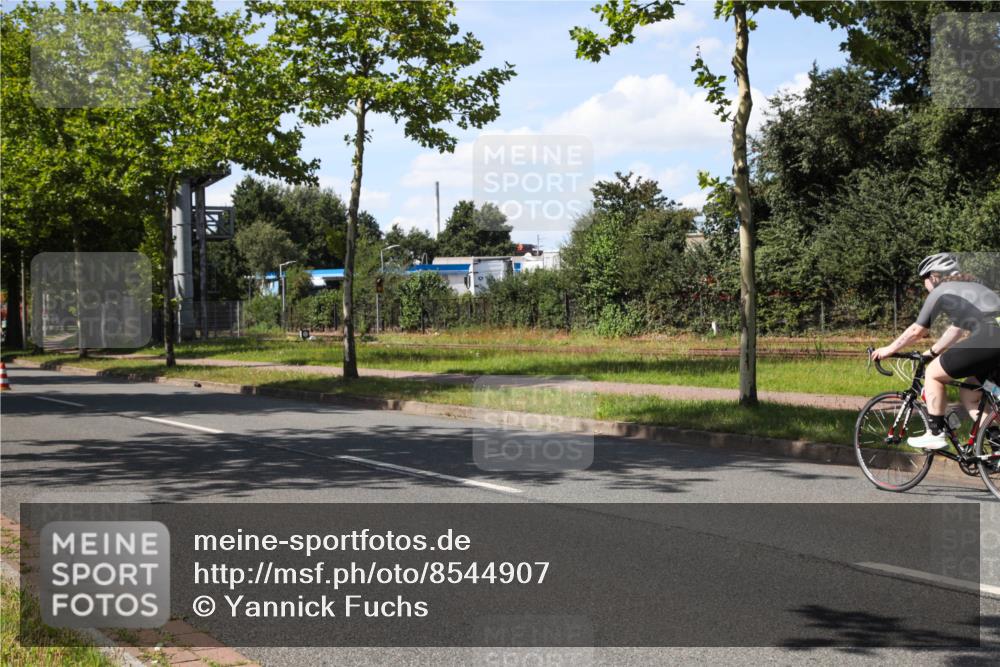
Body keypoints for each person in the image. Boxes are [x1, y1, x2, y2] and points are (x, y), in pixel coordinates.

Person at [871, 253, 1000, 449]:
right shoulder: (974, 288)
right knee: (971, 394)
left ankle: (935, 434)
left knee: (933, 373)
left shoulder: (940, 291)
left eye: (923, 280)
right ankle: (997, 449)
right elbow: (956, 329)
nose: (924, 285)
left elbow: (917, 330)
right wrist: (931, 352)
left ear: (932, 276)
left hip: (989, 339)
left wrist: (888, 349)